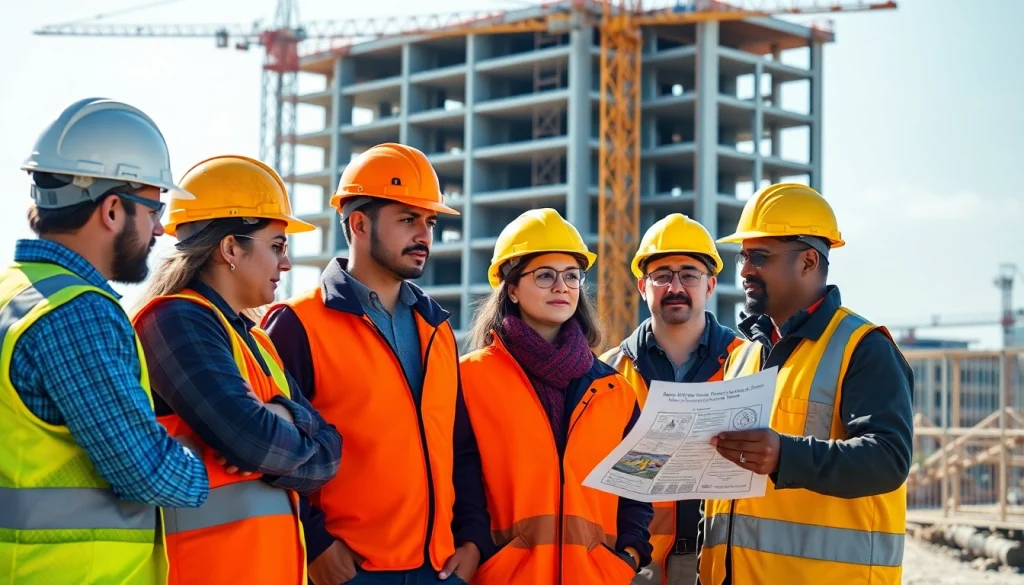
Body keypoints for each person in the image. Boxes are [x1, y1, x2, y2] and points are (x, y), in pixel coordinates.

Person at [0, 97, 210, 584]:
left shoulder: (16, 292)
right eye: (155, 208)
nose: (160, 227)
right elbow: (147, 471)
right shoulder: (77, 313)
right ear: (113, 209)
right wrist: (211, 456)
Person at [262, 142, 492, 585]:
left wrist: (472, 537)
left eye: (429, 221)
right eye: (408, 220)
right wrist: (316, 544)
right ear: (359, 223)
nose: (425, 235)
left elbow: (457, 446)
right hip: (351, 571)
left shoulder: (436, 329)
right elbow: (269, 449)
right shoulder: (297, 324)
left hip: (439, 568)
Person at [130, 154, 343, 585]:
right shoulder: (173, 322)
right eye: (277, 246)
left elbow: (331, 449)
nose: (285, 264)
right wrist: (282, 432)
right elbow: (250, 440)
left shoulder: (257, 339)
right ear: (230, 248)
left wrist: (281, 419)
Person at [695, 183, 914, 585]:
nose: (744, 270)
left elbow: (888, 459)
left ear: (809, 261)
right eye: (743, 256)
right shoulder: (743, 356)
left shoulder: (862, 348)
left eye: (759, 256)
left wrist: (783, 456)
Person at [460, 207, 654, 585]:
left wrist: (628, 557)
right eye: (545, 276)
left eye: (572, 276)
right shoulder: (469, 378)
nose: (562, 287)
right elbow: (458, 482)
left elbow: (638, 489)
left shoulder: (615, 389)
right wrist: (482, 554)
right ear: (511, 288)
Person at [600, 213, 743, 585]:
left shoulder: (748, 365)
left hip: (722, 562)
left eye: (689, 275)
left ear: (710, 285)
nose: (675, 286)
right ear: (641, 286)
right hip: (636, 564)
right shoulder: (608, 373)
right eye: (662, 275)